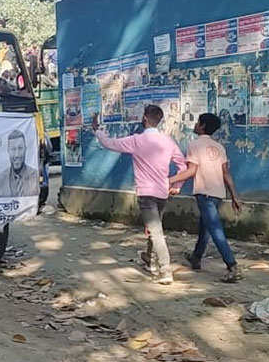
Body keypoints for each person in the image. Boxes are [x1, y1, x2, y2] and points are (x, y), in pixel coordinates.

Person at [93, 105, 187, 285]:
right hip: (162, 191)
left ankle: (165, 269)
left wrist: (98, 131)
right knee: (155, 228)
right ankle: (151, 261)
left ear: (145, 118)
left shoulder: (136, 140)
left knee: (156, 231)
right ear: (159, 120)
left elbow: (109, 143)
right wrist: (177, 184)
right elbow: (183, 165)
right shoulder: (167, 141)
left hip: (146, 192)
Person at [167, 113, 243, 282]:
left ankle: (232, 265)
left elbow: (191, 171)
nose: (195, 124)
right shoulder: (219, 147)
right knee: (206, 226)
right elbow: (226, 174)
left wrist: (169, 180)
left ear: (201, 126)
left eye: (197, 122)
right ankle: (196, 258)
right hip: (218, 193)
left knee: (214, 228)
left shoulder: (195, 145)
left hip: (205, 192)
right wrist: (234, 196)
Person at [0, 130, 40, 198]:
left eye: (20, 148)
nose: (17, 155)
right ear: (8, 151)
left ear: (25, 149)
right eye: (13, 149)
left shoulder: (34, 175)